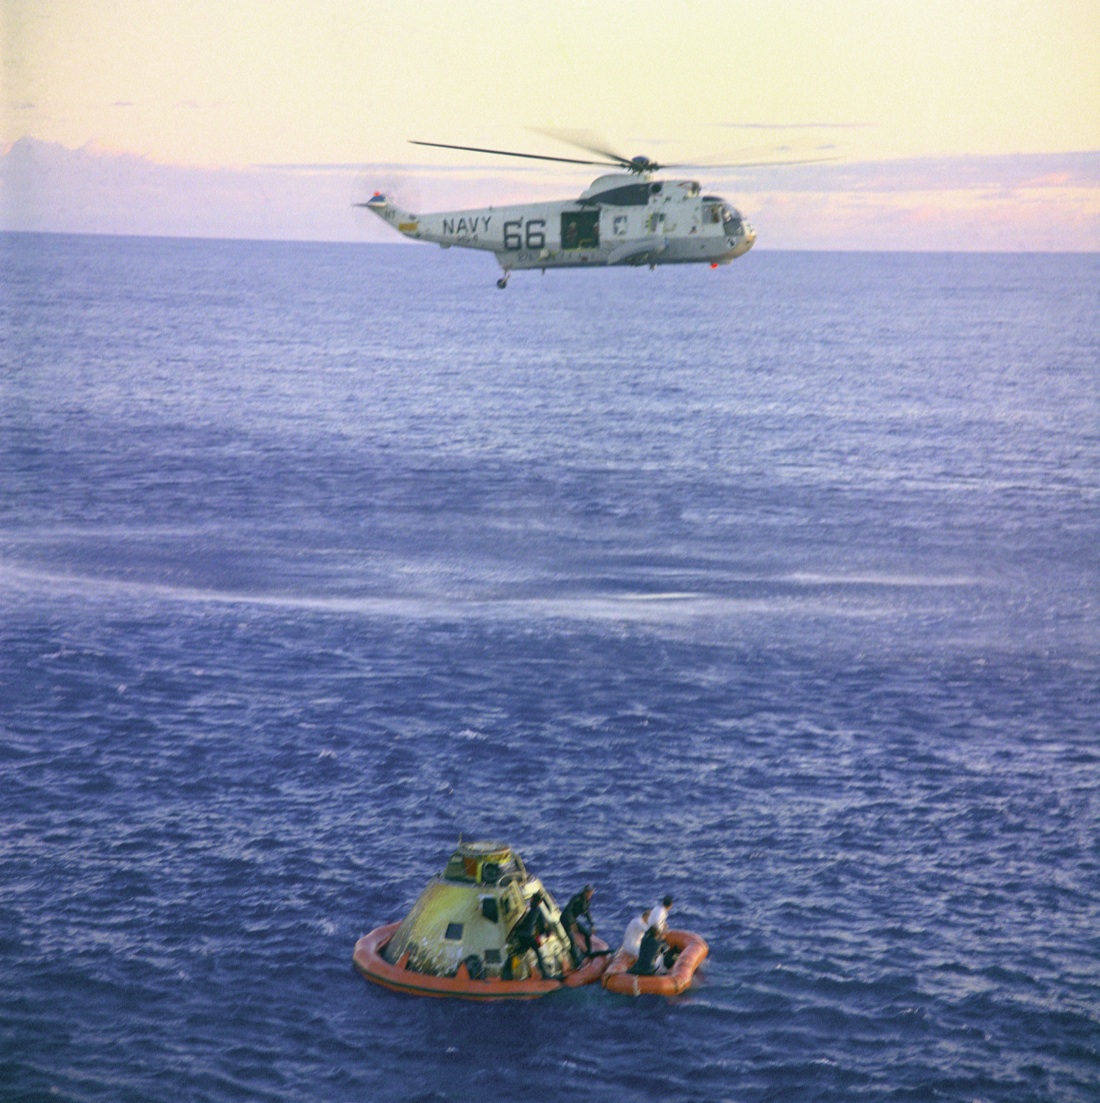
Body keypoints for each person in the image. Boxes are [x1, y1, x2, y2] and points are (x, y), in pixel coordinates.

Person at [509, 892, 555, 978]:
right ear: (539, 902)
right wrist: (548, 933)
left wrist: (515, 934)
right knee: (538, 953)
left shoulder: (529, 910)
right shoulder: (538, 910)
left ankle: (508, 973)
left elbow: (522, 924)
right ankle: (545, 974)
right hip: (528, 937)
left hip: (521, 936)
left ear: (532, 900)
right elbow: (543, 924)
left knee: (518, 952)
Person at [560, 885, 596, 965]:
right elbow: (568, 910)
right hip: (565, 920)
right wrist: (572, 923)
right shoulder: (576, 898)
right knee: (572, 941)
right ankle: (577, 961)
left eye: (591, 893)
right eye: (589, 893)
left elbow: (586, 913)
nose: (590, 895)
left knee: (587, 934)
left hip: (573, 920)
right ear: (585, 892)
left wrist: (592, 924)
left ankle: (588, 954)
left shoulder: (586, 901)